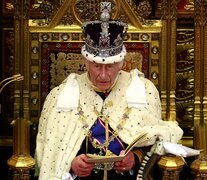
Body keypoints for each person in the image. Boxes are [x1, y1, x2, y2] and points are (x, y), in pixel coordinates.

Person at [34, 2, 183, 180]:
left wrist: (135, 159)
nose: (103, 75)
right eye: (97, 66)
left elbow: (154, 144)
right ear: (86, 62)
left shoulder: (143, 90)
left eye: (111, 66)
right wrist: (71, 165)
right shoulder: (62, 93)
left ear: (121, 63)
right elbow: (52, 153)